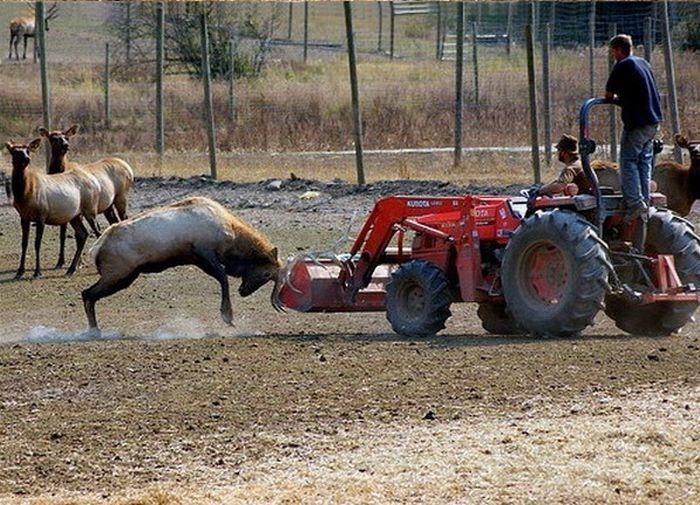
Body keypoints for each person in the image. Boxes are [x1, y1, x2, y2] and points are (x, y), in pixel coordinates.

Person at [605, 34, 662, 251]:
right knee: (643, 161)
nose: (612, 55)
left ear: (618, 50)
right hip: (653, 122)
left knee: (627, 159)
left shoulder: (622, 65)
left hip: (637, 123)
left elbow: (608, 95)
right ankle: (643, 198)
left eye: (612, 51)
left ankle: (636, 203)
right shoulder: (643, 63)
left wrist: (618, 101)